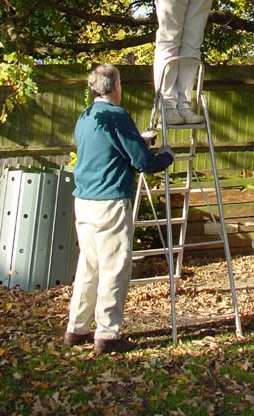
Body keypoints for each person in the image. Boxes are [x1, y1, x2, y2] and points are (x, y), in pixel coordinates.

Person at [64, 63, 174, 354]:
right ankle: (108, 335)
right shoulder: (117, 116)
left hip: (84, 201)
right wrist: (164, 157)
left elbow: (107, 150)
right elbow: (141, 162)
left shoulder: (86, 117)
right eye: (121, 84)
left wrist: (139, 141)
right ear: (114, 86)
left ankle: (76, 329)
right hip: (109, 202)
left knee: (89, 267)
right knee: (113, 268)